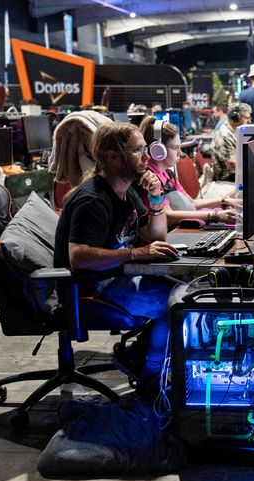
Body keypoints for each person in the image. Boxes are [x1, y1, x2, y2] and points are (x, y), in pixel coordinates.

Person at [53, 122, 179, 396]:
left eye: (145, 149)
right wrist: (135, 253)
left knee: (183, 293)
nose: (147, 157)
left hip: (114, 278)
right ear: (114, 157)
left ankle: (137, 356)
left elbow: (156, 235)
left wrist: (156, 198)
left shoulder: (127, 191)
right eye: (138, 151)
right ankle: (150, 378)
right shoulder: (93, 199)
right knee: (177, 305)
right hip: (89, 288)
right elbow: (78, 257)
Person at [138, 117, 238, 228]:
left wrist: (225, 201)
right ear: (158, 150)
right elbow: (168, 216)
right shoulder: (150, 179)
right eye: (176, 148)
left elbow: (193, 203)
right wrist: (215, 215)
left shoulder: (168, 174)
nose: (180, 153)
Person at [212, 103, 252, 182]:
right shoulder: (225, 135)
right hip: (226, 179)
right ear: (236, 118)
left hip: (235, 176)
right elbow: (231, 165)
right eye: (246, 118)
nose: (249, 121)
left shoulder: (235, 132)